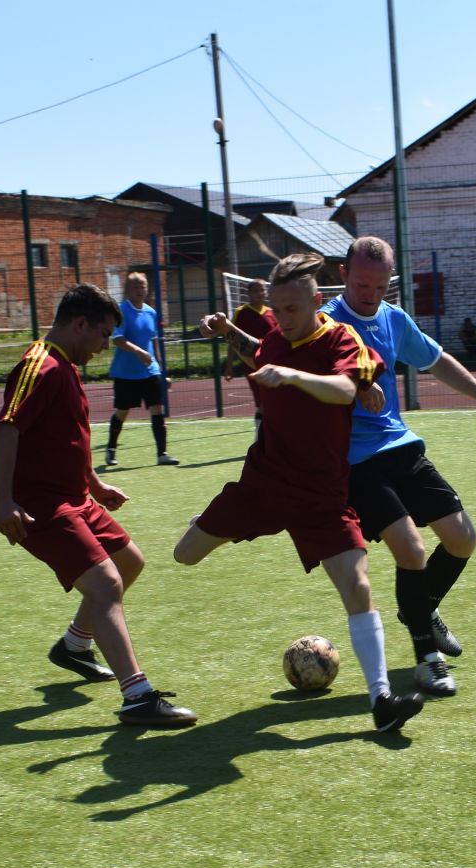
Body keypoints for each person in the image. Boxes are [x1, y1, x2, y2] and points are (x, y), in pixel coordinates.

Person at [184, 251, 423, 735]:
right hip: (264, 485)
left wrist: (304, 379)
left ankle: (381, 701)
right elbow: (263, 352)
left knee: (358, 587)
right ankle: (235, 526)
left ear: (317, 301)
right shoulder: (276, 334)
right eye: (276, 309)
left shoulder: (339, 337)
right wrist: (229, 333)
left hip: (320, 496)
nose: (282, 319)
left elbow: (340, 387)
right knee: (184, 554)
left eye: (291, 309)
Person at [320, 235, 476, 698]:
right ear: (342, 275)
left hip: (401, 447)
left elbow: (437, 361)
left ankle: (421, 608)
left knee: (462, 538)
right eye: (360, 285)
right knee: (411, 549)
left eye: (379, 286)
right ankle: (427, 659)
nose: (369, 294)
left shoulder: (394, 320)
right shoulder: (325, 324)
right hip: (354, 461)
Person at [0, 282, 196, 728]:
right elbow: (6, 430)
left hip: (76, 497)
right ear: (79, 324)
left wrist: (96, 485)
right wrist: (2, 501)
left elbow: (66, 440)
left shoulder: (65, 366)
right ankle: (137, 696)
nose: (106, 346)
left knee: (129, 563)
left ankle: (74, 645)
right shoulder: (38, 367)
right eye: (103, 335)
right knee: (105, 585)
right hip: (41, 505)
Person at [103, 272, 175, 467]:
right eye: (135, 286)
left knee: (157, 409)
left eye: (142, 286)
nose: (140, 290)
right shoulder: (122, 311)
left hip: (149, 372)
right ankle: (111, 448)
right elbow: (118, 339)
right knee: (123, 412)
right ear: (128, 289)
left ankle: (162, 453)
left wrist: (161, 371)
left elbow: (154, 342)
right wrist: (139, 352)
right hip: (126, 373)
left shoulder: (151, 312)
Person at [224, 277, 275, 433]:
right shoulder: (242, 313)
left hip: (273, 364)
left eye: (262, 290)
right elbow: (233, 339)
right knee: (263, 402)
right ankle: (260, 435)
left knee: (274, 401)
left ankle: (271, 436)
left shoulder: (272, 314)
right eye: (256, 290)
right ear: (249, 293)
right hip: (252, 364)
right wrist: (229, 366)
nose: (260, 293)